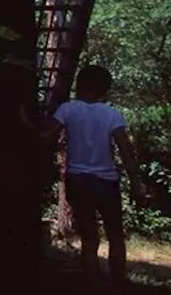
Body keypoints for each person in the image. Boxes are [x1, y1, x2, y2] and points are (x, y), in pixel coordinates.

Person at [42, 64, 144, 285]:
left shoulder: (67, 110)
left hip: (77, 180)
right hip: (106, 182)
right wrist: (136, 182)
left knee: (89, 237)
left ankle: (91, 284)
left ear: (80, 84)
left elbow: (47, 137)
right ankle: (117, 284)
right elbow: (126, 151)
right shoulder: (111, 114)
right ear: (104, 89)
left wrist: (26, 122)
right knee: (115, 235)